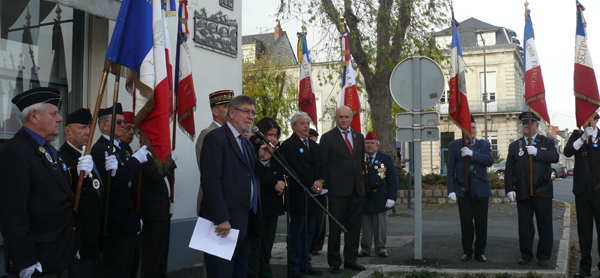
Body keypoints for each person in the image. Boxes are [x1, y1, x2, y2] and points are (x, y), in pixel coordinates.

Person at [0, 87, 79, 278]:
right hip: (38, 260)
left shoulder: (48, 149)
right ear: (34, 116)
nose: (60, 119)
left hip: (59, 253)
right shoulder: (16, 150)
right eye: (53, 114)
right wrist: (25, 259)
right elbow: (13, 211)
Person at [198, 95, 273, 278]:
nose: (251, 116)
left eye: (253, 112)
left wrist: (263, 161)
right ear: (232, 112)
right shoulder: (215, 138)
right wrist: (222, 217)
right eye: (246, 111)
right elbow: (211, 183)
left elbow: (255, 179)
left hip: (245, 222)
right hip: (224, 224)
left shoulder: (245, 143)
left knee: (240, 273)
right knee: (221, 273)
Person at [90, 103, 148, 278]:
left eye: (123, 122)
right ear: (105, 125)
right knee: (116, 270)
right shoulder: (101, 149)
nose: (123, 125)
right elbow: (116, 183)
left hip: (128, 220)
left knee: (129, 269)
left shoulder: (120, 148)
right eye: (119, 122)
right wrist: (136, 160)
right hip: (115, 223)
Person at [505, 112, 558, 267]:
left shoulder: (546, 142)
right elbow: (509, 170)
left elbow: (554, 157)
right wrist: (509, 188)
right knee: (525, 226)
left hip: (542, 191)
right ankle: (526, 255)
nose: (525, 126)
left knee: (544, 225)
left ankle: (544, 255)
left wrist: (537, 152)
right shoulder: (515, 146)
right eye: (523, 124)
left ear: (536, 125)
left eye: (528, 123)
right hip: (522, 191)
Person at [59, 108, 106, 278]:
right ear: (67, 131)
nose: (87, 132)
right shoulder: (62, 158)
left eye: (89, 127)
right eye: (81, 128)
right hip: (79, 239)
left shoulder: (87, 156)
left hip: (95, 237)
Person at [320, 105, 366, 274]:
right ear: (336, 118)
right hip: (337, 192)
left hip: (357, 190)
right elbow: (323, 164)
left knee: (354, 227)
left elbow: (359, 162)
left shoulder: (359, 137)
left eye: (347, 117)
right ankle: (334, 262)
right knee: (335, 228)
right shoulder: (327, 138)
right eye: (340, 117)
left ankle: (351, 260)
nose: (344, 120)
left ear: (351, 118)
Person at [279, 113, 324, 277]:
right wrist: (312, 183)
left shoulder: (314, 145)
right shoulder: (288, 145)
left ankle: (306, 264)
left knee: (310, 232)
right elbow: (294, 169)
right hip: (299, 195)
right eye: (303, 124)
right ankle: (294, 267)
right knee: (297, 233)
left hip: (314, 195)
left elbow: (323, 165)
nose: (307, 126)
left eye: (308, 123)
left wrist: (320, 180)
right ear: (293, 126)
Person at [446, 116, 493, 263]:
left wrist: (473, 154)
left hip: (481, 190)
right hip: (463, 190)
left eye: (474, 128)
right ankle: (467, 251)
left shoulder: (484, 144)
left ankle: (480, 252)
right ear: (463, 129)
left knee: (481, 223)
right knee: (466, 223)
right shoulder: (454, 145)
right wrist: (451, 189)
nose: (472, 130)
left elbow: (489, 161)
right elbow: (450, 170)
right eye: (469, 127)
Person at [247, 117, 284, 278]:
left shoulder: (276, 147)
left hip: (274, 201)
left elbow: (281, 167)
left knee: (268, 242)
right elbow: (256, 169)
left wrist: (282, 181)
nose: (272, 138)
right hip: (261, 199)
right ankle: (256, 273)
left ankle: (265, 270)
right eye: (269, 134)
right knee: (257, 244)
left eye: (275, 135)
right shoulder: (253, 147)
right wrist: (274, 183)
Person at [564, 113, 600, 278]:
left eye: (591, 119)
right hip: (582, 192)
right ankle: (585, 267)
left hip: (599, 192)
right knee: (584, 232)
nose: (588, 122)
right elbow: (568, 152)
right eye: (586, 119)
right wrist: (583, 138)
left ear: (596, 120)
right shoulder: (577, 135)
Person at [358, 132, 398, 258]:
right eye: (367, 143)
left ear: (377, 145)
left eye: (372, 143)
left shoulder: (386, 159)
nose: (369, 146)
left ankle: (381, 248)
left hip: (380, 196)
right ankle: (365, 248)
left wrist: (392, 198)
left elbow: (393, 180)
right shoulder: (360, 158)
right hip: (364, 196)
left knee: (380, 225)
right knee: (365, 225)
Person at [195, 89, 234, 214]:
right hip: (213, 202)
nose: (231, 111)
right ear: (215, 111)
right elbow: (209, 173)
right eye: (227, 107)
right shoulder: (207, 134)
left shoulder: (234, 134)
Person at [308, 128, 327, 257]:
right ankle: (307, 245)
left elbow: (325, 167)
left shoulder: (320, 150)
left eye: (311, 137)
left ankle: (317, 246)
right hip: (306, 191)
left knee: (320, 221)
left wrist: (321, 181)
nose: (309, 139)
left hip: (320, 192)